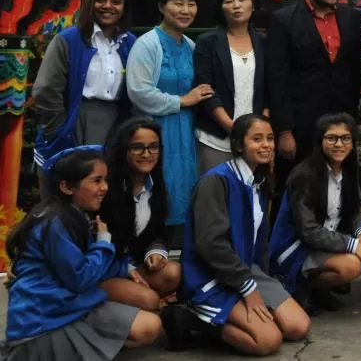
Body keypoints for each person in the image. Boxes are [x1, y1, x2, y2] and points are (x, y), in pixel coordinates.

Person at [0, 146, 161, 360]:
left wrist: (124, 267)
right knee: (149, 324)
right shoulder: (55, 222)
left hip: (69, 303)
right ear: (66, 187)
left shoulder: (74, 213)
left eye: (106, 179)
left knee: (150, 324)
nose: (105, 187)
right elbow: (80, 277)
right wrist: (103, 243)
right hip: (45, 319)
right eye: (96, 181)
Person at [179, 114, 310, 356]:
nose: (266, 145)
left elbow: (256, 244)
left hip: (246, 270)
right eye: (257, 139)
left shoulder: (258, 180)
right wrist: (248, 289)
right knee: (268, 341)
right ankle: (192, 319)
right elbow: (210, 244)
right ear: (239, 145)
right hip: (212, 274)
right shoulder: (216, 181)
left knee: (297, 327)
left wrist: (261, 281)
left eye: (270, 138)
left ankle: (242, 313)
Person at [267, 0, 361, 209]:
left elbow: (355, 70)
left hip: (341, 123)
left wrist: (353, 121)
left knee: (339, 191)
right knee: (296, 191)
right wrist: (284, 130)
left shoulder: (351, 18)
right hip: (301, 125)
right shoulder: (284, 20)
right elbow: (277, 78)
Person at [269, 113, 361, 311]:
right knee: (352, 266)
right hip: (297, 248)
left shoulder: (348, 170)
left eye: (345, 138)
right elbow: (309, 232)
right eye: (332, 138)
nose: (339, 144)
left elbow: (355, 212)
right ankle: (301, 284)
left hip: (328, 240)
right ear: (320, 141)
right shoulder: (304, 175)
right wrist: (353, 245)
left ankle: (320, 288)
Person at [32, 0, 137, 188]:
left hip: (114, 126)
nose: (108, 6)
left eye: (116, 2)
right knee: (66, 192)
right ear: (89, 3)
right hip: (72, 122)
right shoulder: (68, 39)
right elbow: (45, 90)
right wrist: (59, 128)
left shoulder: (130, 43)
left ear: (124, 7)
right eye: (100, 0)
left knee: (103, 194)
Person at [127, 0, 213, 231]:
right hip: (154, 128)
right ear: (162, 7)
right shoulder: (147, 43)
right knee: (156, 183)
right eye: (178, 4)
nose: (185, 10)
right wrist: (182, 100)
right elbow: (138, 91)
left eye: (191, 4)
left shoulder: (190, 46)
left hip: (186, 129)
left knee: (184, 182)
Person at [100, 118, 182, 312]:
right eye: (137, 147)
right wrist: (126, 270)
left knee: (173, 273)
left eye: (153, 147)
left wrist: (156, 251)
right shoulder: (106, 187)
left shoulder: (156, 185)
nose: (147, 154)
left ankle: (132, 301)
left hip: (134, 264)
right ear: (123, 150)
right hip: (104, 270)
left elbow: (158, 233)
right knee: (149, 301)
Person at [193, 0, 268, 173]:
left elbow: (270, 89)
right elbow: (206, 89)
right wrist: (232, 127)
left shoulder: (264, 42)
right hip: (217, 138)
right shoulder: (207, 42)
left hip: (256, 140)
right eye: (229, 0)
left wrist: (262, 131)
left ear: (252, 3)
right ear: (221, 7)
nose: (236, 5)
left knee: (252, 196)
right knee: (216, 194)